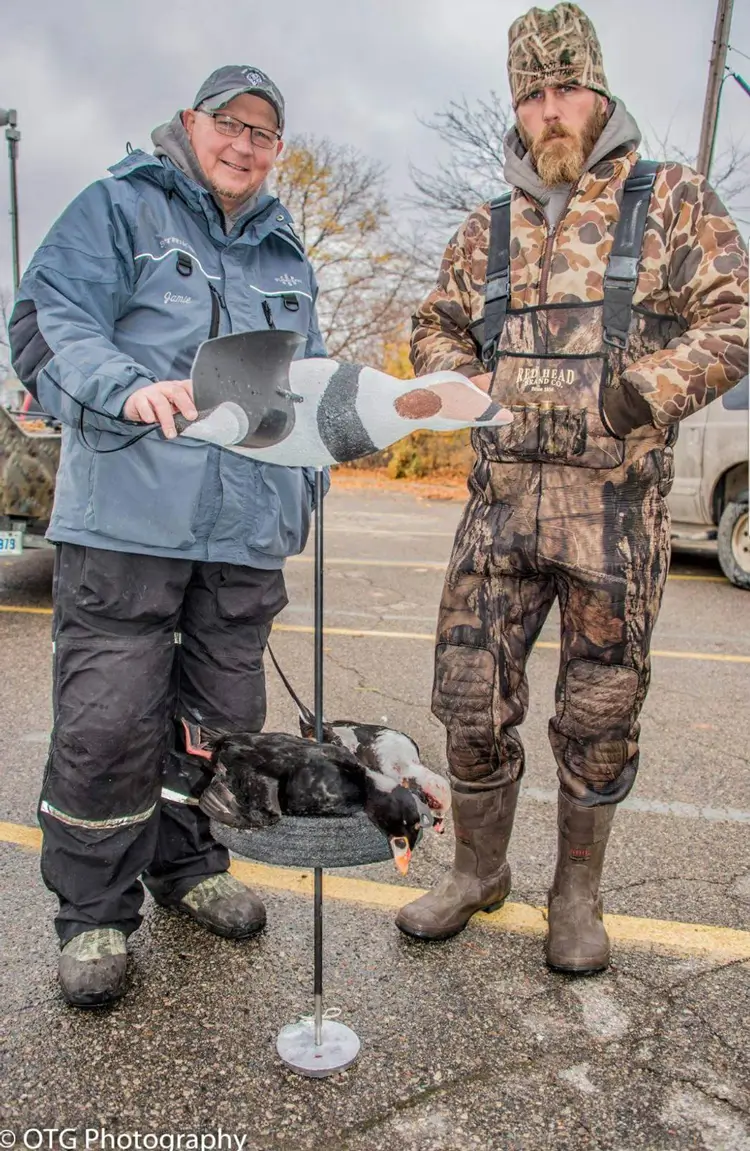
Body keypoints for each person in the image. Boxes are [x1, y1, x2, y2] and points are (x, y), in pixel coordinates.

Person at [396, 3, 748, 973]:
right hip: (498, 509)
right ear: (518, 104)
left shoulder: (670, 198)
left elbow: (733, 319)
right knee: (468, 697)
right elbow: (435, 326)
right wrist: (452, 379)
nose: (551, 109)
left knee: (598, 714)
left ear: (598, 91)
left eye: (567, 89)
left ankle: (576, 894)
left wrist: (643, 391)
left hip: (613, 517)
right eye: (533, 93)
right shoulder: (486, 226)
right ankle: (476, 870)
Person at [9, 66, 326, 1007]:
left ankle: (191, 866)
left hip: (242, 533)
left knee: (222, 722)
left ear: (277, 150)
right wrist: (122, 386)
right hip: (130, 520)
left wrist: (309, 480)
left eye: (263, 135)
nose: (244, 145)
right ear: (191, 124)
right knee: (110, 718)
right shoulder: (120, 207)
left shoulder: (287, 253)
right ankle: (96, 912)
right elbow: (43, 320)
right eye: (229, 124)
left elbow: (304, 392)